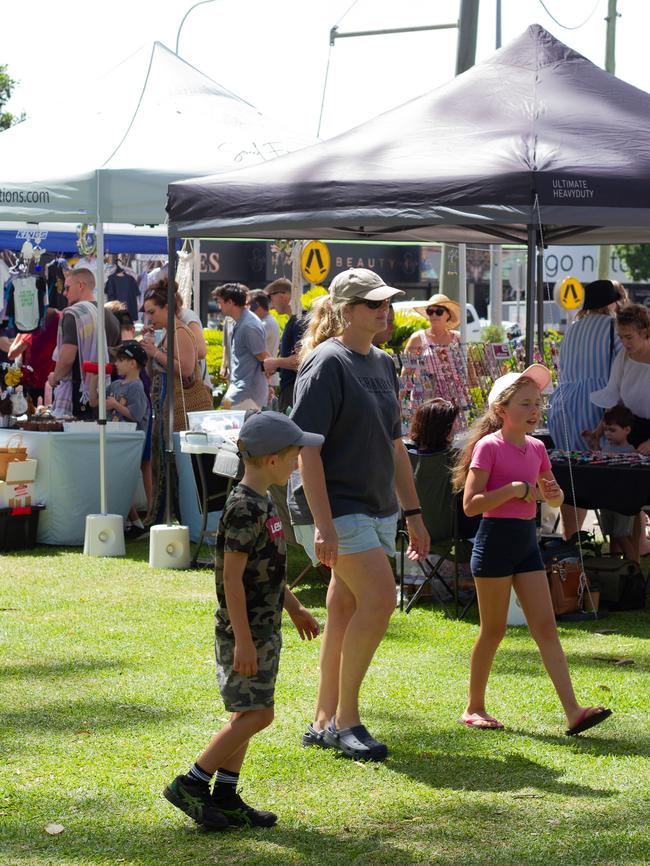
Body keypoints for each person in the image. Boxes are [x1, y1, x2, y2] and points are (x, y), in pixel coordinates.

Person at [289, 268, 429, 761]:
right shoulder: (326, 362)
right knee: (380, 600)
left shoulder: (385, 364)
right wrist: (323, 525)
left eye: (386, 303)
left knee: (345, 608)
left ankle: (323, 718)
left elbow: (395, 448)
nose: (384, 311)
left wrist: (413, 514)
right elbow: (306, 451)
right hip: (332, 507)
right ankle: (347, 721)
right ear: (345, 311)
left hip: (377, 508)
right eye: (373, 304)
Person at [163, 411, 321, 832]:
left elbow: (265, 570)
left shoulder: (263, 500)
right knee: (258, 715)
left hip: (264, 626)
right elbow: (231, 578)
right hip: (245, 631)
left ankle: (226, 796)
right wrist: (245, 641)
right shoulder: (243, 508)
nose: (298, 463)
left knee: (248, 711)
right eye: (294, 456)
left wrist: (294, 607)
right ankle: (190, 783)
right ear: (272, 460)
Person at [453, 365, 612, 736]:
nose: (534, 409)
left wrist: (554, 495)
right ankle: (474, 707)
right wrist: (511, 490)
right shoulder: (488, 448)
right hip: (493, 542)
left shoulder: (538, 447)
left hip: (526, 543)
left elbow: (550, 494)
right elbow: (471, 505)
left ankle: (573, 711)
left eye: (537, 403)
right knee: (492, 631)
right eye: (525, 403)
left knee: (546, 628)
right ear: (501, 410)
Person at [547, 279, 621, 540]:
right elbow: (621, 369)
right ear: (611, 303)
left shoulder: (573, 328)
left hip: (563, 405)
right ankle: (622, 545)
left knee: (571, 475)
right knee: (610, 475)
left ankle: (571, 539)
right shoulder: (613, 326)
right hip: (596, 403)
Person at [140, 280, 207, 524]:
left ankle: (173, 515)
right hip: (167, 407)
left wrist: (155, 353)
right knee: (164, 463)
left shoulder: (179, 331)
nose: (149, 318)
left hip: (181, 407)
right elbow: (153, 372)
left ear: (167, 307)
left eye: (152, 312)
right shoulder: (168, 333)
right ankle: (165, 514)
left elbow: (188, 370)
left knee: (175, 464)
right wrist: (151, 351)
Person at [48, 268, 121, 419]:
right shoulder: (111, 317)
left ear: (81, 286)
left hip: (79, 397)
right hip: (105, 396)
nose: (64, 293)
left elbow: (67, 359)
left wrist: (55, 378)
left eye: (67, 288)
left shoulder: (74, 314)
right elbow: (116, 360)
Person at [213, 284, 269, 410]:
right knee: (224, 410)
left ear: (231, 302)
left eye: (220, 302)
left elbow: (265, 358)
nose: (219, 306)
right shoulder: (241, 321)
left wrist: (268, 385)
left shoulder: (249, 325)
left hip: (247, 393)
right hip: (240, 390)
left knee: (226, 416)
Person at [596, 404, 640, 563]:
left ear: (627, 430)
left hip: (623, 500)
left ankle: (634, 569)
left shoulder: (631, 452)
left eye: (612, 430)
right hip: (607, 497)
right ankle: (616, 570)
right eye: (606, 429)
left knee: (622, 535)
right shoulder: (606, 446)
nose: (607, 434)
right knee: (613, 535)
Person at [263, 278, 305, 413]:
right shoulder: (295, 321)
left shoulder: (299, 321)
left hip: (294, 390)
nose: (271, 305)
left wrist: (275, 363)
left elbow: (300, 360)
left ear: (283, 296)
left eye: (270, 298)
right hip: (292, 389)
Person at [8, 307, 60, 403]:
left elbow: (11, 353)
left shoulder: (31, 329)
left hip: (35, 384)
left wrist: (22, 331)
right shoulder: (59, 319)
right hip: (52, 383)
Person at [249, 288, 281, 405]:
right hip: (267, 377)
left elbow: (258, 352)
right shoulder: (266, 321)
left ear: (257, 305)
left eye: (249, 304)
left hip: (266, 378)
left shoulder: (264, 324)